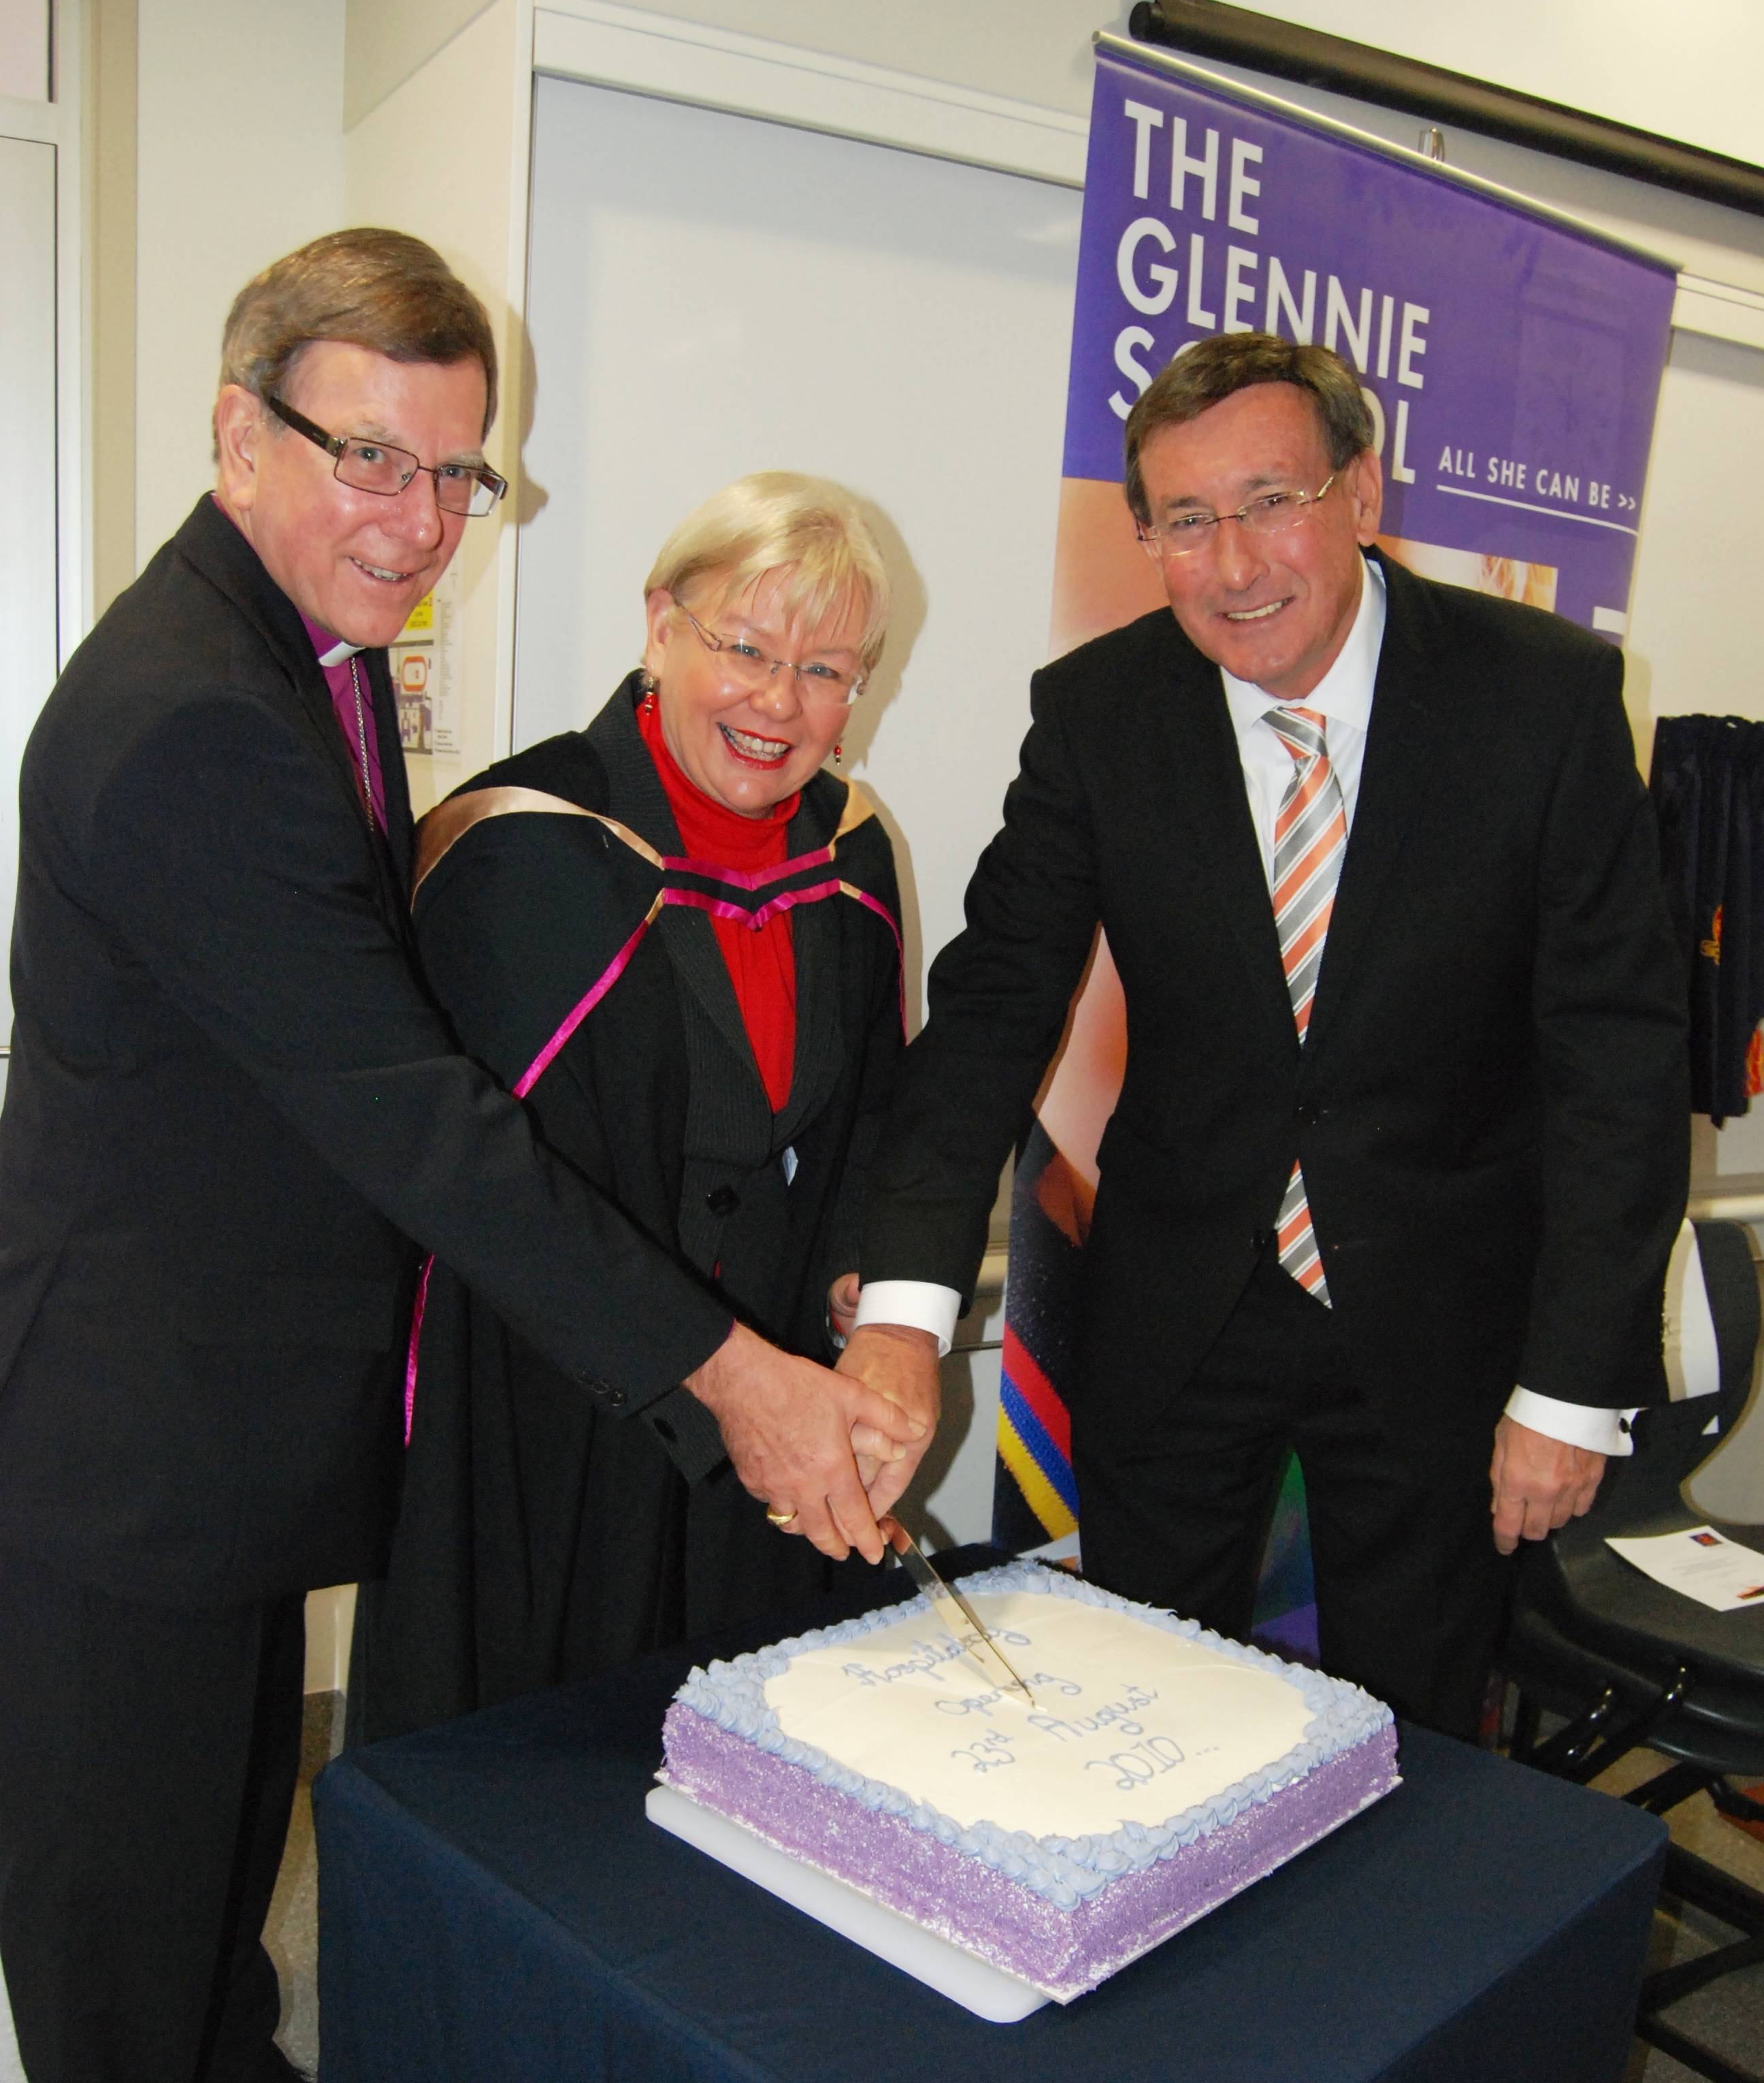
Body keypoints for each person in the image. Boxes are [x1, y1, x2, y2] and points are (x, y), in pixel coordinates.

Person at [0, 231, 920, 2083]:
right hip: (139, 1443)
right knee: (126, 1937)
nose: (420, 521)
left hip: (218, 1426)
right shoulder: (194, 712)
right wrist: (737, 1377)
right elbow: (418, 1117)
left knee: (207, 1920)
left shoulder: (297, 656)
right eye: (370, 457)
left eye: (455, 471)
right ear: (236, 432)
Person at [843, 331, 1688, 1742]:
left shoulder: (1539, 697)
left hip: (1443, 1319)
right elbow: (995, 999)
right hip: (1182, 1302)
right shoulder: (1103, 711)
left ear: (1359, 491)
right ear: (1148, 537)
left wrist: (1573, 1379)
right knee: (1130, 1704)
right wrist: (904, 1312)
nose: (1235, 564)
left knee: (1405, 1732)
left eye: (1272, 501)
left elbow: (1620, 1047)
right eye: (1187, 520)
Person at [348, 473, 906, 1740]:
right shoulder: (517, 852)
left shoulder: (855, 855)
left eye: (826, 670)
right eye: (746, 647)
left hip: (768, 1420)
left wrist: (858, 1277)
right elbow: (500, 1197)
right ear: (661, 625)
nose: (780, 702)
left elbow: (875, 1109)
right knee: (547, 1784)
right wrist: (721, 1379)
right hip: (555, 1423)